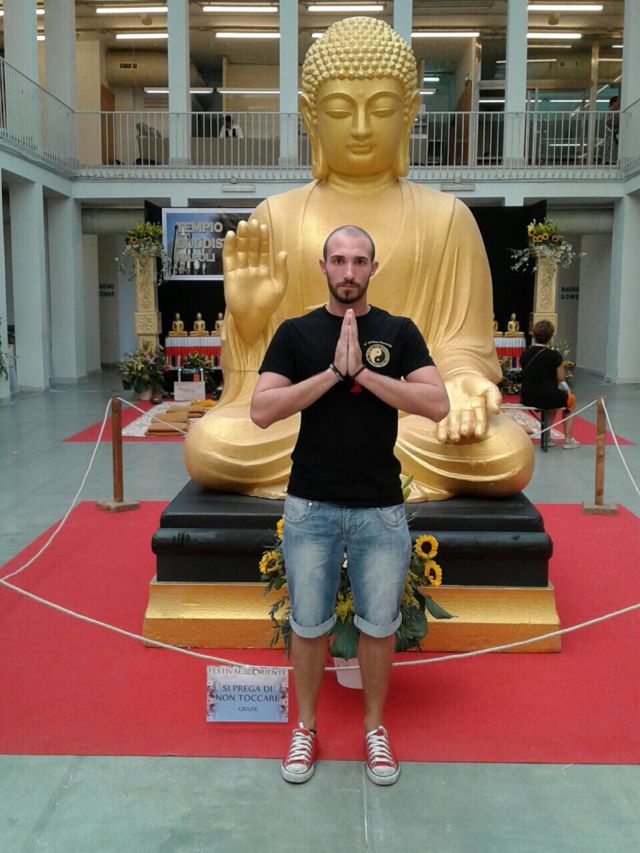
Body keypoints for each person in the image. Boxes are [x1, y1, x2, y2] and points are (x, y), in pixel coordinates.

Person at [185, 16, 533, 499]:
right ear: (310, 116)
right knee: (210, 445)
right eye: (340, 110)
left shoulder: (447, 217)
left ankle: (338, 468)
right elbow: (259, 392)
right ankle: (372, 469)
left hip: (408, 414)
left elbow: (460, 344)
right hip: (303, 413)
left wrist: (460, 380)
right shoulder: (276, 215)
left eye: (382, 108)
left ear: (410, 113)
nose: (362, 128)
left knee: (508, 455)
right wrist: (249, 321)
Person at [250, 225, 449, 785]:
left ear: (373, 268)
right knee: (308, 623)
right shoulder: (295, 332)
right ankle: (306, 726)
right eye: (338, 260)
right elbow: (261, 412)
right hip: (310, 503)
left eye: (359, 261)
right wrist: (332, 374)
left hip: (379, 507)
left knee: (379, 625)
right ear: (323, 266)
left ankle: (374, 727)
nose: (348, 271)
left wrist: (364, 373)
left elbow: (437, 404)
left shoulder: (398, 331)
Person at [520, 320, 579, 449]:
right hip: (548, 397)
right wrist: (567, 390)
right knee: (570, 400)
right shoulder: (554, 355)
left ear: (534, 335)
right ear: (551, 336)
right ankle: (568, 439)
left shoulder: (525, 354)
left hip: (528, 396)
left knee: (553, 402)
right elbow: (561, 379)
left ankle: (547, 437)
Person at [604, 95, 620, 164]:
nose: (620, 103)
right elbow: (609, 122)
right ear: (613, 102)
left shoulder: (619, 111)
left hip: (616, 135)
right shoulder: (609, 111)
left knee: (615, 149)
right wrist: (619, 122)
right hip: (611, 135)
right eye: (618, 101)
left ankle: (614, 161)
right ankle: (608, 162)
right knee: (610, 148)